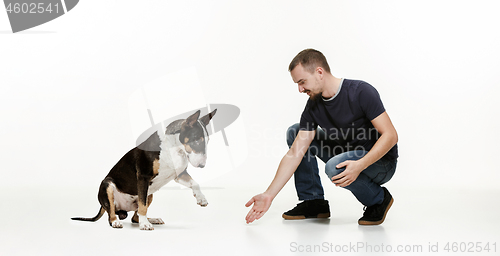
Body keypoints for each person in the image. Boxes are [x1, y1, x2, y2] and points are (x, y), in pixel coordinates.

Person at [245, 49, 398, 225]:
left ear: (319, 72)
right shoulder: (313, 106)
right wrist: (268, 195)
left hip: (380, 163)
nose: (300, 89)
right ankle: (314, 202)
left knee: (334, 167)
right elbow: (295, 153)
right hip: (347, 154)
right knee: (295, 132)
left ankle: (378, 199)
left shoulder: (360, 92)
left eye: (302, 82)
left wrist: (360, 165)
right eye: (297, 84)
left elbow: (391, 136)